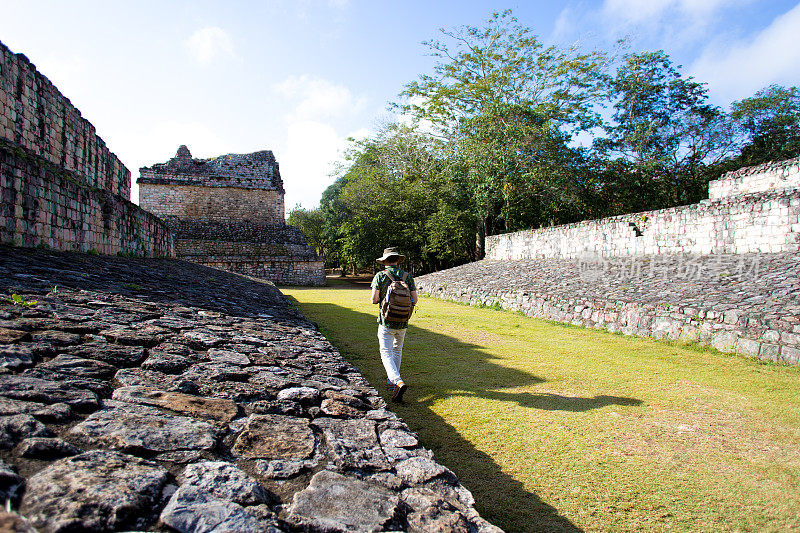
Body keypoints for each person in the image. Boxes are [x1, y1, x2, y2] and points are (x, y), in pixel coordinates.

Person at [370, 247, 417, 402]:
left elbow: (374, 299)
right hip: (403, 321)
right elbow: (414, 300)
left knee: (385, 352)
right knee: (397, 350)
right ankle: (392, 382)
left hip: (386, 321)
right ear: (397, 259)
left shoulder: (380, 276)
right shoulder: (407, 276)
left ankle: (396, 381)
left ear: (385, 261)